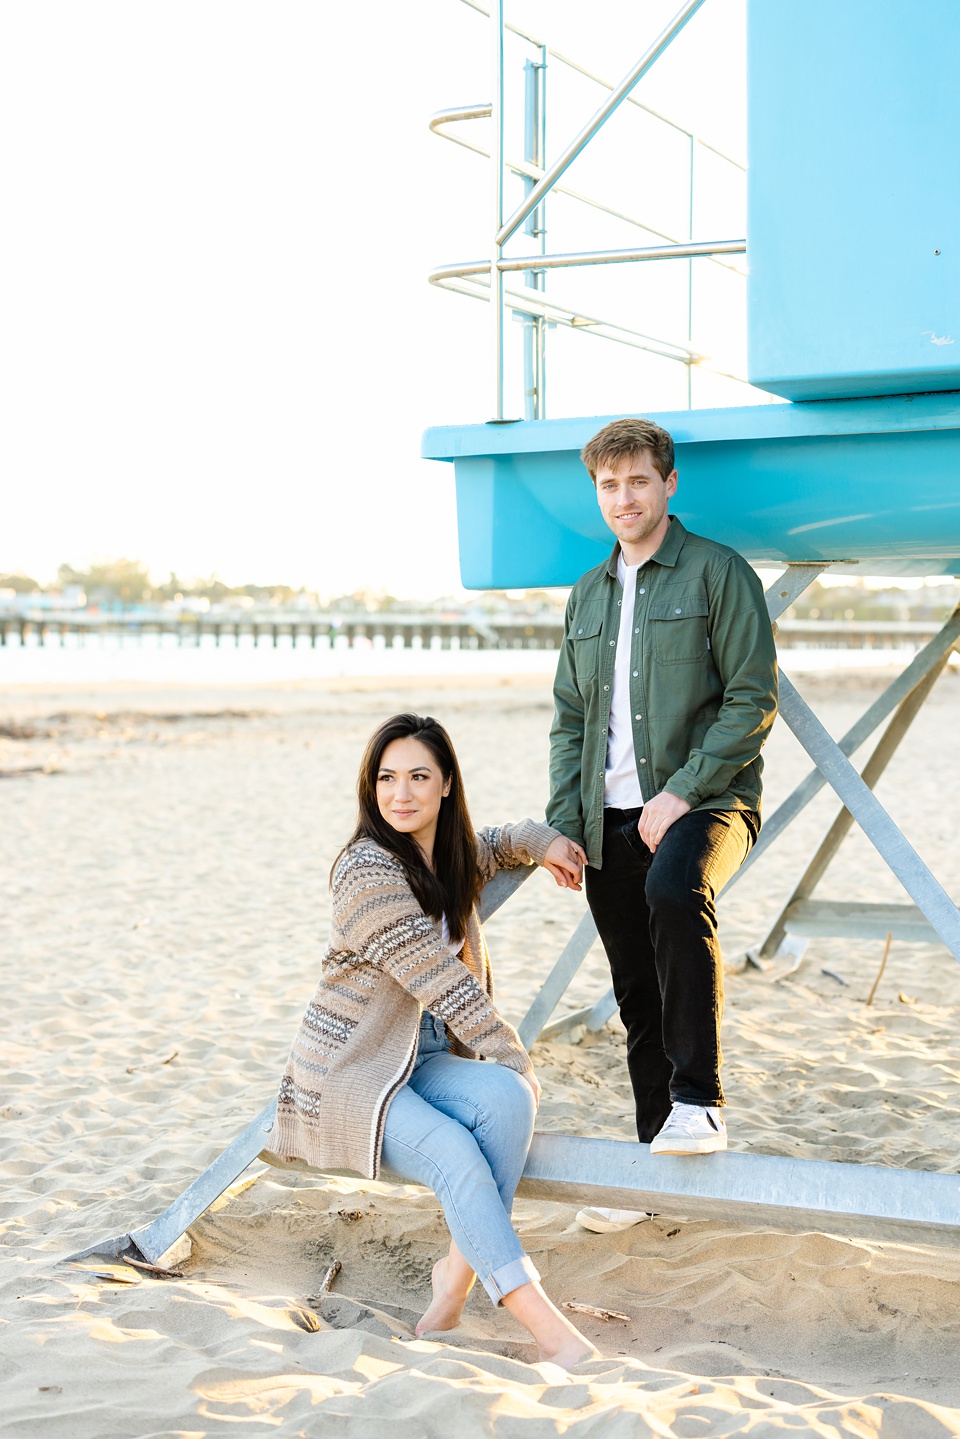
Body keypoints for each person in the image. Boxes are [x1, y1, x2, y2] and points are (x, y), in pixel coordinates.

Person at [274, 712, 598, 1366]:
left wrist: (545, 841)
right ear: (371, 787)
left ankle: (451, 1281)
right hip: (350, 1074)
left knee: (509, 1100)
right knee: (456, 1145)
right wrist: (513, 1052)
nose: (402, 793)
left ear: (445, 783)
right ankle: (549, 1329)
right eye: (387, 777)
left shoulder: (443, 855)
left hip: (419, 1058)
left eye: (419, 775)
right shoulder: (364, 869)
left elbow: (499, 840)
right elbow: (442, 981)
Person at [546, 416, 778, 1234]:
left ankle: (700, 1100)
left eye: (637, 480)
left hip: (710, 802)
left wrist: (681, 791)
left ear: (668, 483)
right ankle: (656, 1164)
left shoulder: (719, 573)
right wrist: (560, 822)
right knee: (636, 989)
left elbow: (753, 699)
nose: (623, 497)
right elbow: (571, 717)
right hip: (604, 816)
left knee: (677, 891)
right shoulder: (586, 593)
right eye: (609, 485)